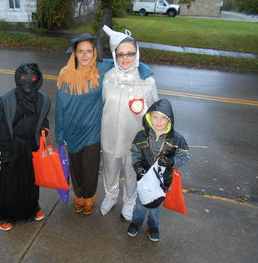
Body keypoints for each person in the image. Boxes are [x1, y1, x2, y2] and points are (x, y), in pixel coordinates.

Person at [100, 25, 159, 221]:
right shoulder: (107, 77)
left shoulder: (146, 80)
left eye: (130, 53)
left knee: (131, 171)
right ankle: (110, 195)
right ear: (114, 55)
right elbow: (102, 102)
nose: (125, 58)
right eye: (120, 54)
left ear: (137, 53)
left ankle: (129, 200)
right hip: (109, 135)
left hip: (133, 137)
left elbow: (154, 111)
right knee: (110, 169)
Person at [55, 33, 114, 215]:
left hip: (92, 130)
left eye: (89, 51)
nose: (85, 55)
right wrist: (60, 134)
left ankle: (89, 197)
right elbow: (59, 106)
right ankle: (78, 196)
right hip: (71, 129)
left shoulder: (101, 71)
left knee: (90, 167)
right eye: (80, 51)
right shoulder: (64, 74)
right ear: (74, 53)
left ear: (95, 52)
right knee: (75, 167)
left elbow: (126, 62)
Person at [0, 63, 51, 231]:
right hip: (13, 145)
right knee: (10, 182)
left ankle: (32, 209)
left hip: (32, 145)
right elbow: (3, 127)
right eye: (23, 78)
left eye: (32, 79)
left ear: (38, 80)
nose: (27, 82)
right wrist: (5, 152)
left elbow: (43, 121)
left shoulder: (42, 99)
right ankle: (5, 215)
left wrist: (44, 130)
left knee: (32, 180)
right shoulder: (8, 100)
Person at [127, 98, 190, 242]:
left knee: (155, 207)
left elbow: (185, 156)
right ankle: (136, 222)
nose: (159, 121)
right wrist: (137, 165)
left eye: (163, 118)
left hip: (163, 182)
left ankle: (153, 225)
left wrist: (172, 162)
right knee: (140, 204)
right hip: (143, 180)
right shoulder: (141, 136)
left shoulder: (176, 139)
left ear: (170, 121)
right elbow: (135, 152)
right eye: (155, 117)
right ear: (149, 117)